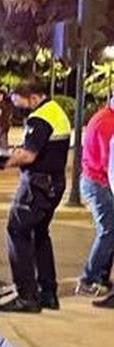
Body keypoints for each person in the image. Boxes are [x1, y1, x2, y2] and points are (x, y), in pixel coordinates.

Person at [0, 81, 72, 313]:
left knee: (17, 231)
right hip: (54, 185)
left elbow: (29, 155)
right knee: (40, 235)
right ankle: (48, 293)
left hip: (36, 187)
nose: (18, 108)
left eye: (20, 103)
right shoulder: (56, 111)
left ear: (33, 98)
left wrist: (4, 161)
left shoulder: (39, 118)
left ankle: (27, 296)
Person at [74, 88, 114, 299]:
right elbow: (110, 164)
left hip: (97, 180)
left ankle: (100, 277)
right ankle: (89, 279)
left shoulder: (105, 118)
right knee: (108, 231)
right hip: (98, 182)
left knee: (110, 230)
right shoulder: (107, 124)